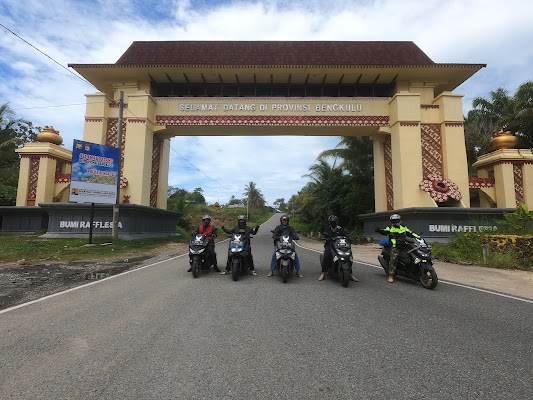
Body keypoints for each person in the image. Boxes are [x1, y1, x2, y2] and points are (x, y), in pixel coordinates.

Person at [375, 213, 420, 283]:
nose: (395, 222)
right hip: (395, 246)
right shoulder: (390, 228)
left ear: (400, 221)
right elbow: (385, 231)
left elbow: (410, 233)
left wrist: (418, 237)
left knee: (415, 255)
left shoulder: (403, 227)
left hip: (404, 245)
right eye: (393, 221)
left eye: (396, 220)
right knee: (394, 258)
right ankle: (391, 275)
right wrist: (379, 230)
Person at [319, 215, 358, 282]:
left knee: (349, 256)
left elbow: (346, 235)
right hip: (330, 245)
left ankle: (350, 274)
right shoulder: (328, 229)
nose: (333, 223)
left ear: (337, 222)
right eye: (332, 222)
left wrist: (349, 237)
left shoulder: (340, 229)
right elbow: (325, 235)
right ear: (330, 222)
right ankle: (323, 273)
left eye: (334, 222)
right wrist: (327, 237)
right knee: (326, 255)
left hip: (340, 245)